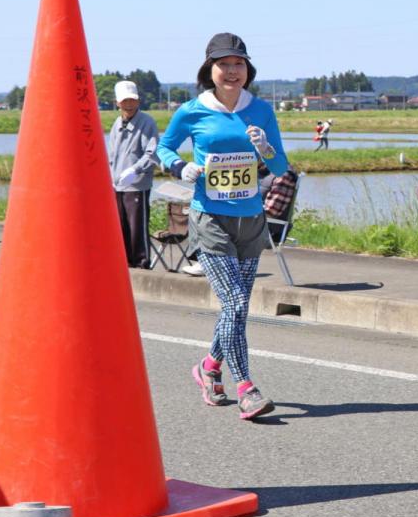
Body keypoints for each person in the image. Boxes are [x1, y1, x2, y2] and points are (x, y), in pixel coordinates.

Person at [158, 33, 289, 419]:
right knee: (233, 303)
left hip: (250, 219)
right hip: (210, 218)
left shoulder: (261, 110)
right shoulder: (191, 111)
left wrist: (264, 148)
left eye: (239, 64)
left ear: (247, 70)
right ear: (209, 70)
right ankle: (246, 387)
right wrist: (182, 167)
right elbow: (164, 148)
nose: (232, 71)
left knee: (238, 307)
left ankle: (209, 367)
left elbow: (280, 166)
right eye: (224, 64)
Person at [108, 80, 160, 268]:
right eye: (125, 101)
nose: (129, 104)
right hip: (118, 184)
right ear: (117, 102)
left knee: (137, 226)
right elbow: (112, 155)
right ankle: (125, 263)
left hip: (137, 184)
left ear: (138, 101)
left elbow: (152, 153)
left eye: (132, 100)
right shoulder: (116, 123)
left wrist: (136, 170)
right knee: (120, 227)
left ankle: (142, 263)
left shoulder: (147, 122)